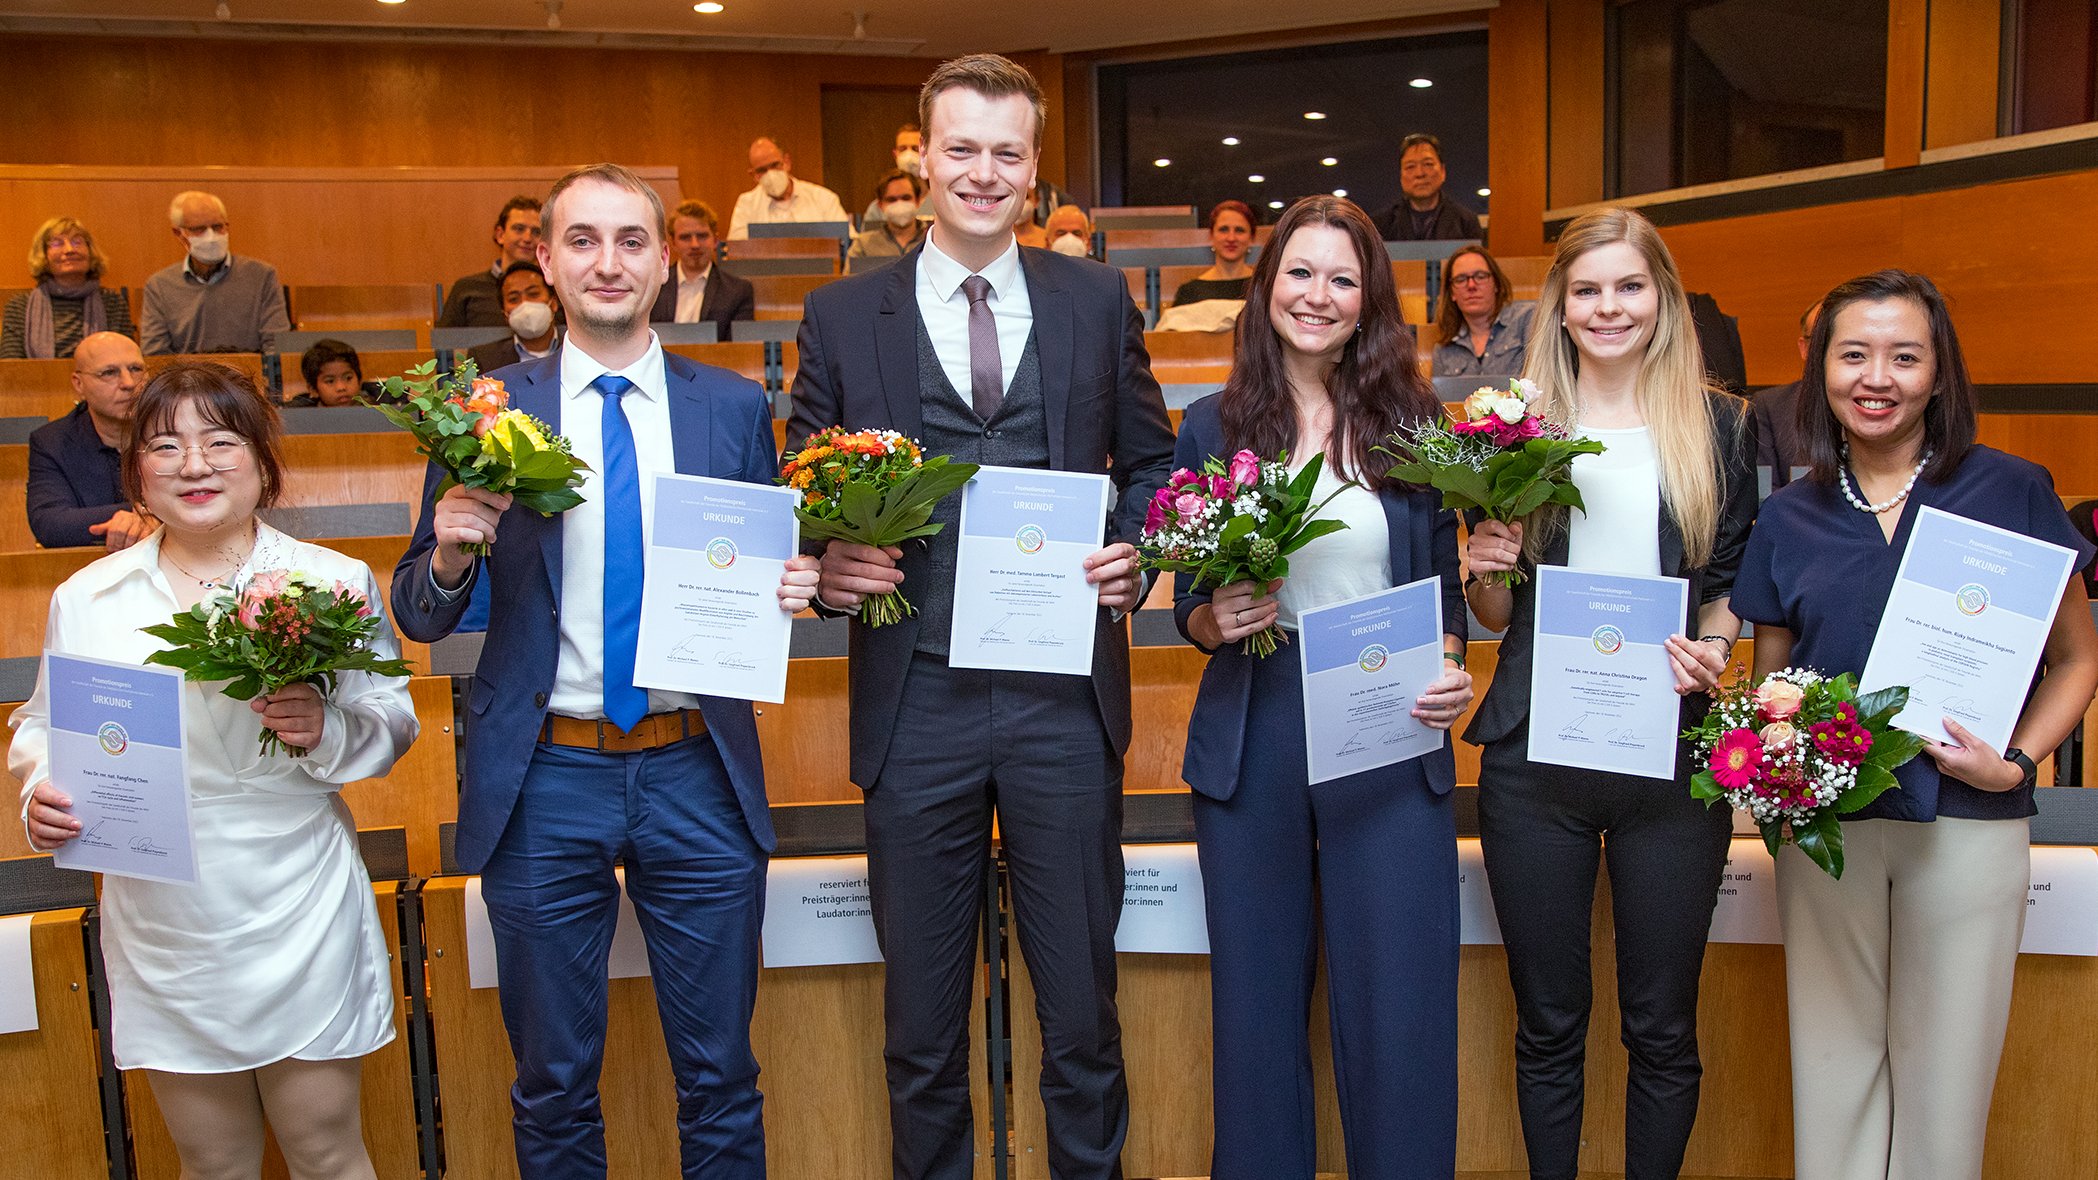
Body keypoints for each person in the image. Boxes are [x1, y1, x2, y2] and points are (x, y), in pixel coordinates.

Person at [787, 54, 1174, 1180]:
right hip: (915, 704)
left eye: (1007, 153)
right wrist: (828, 554)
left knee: (1081, 1014)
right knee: (920, 1021)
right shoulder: (842, 311)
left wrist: (1139, 551)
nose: (983, 172)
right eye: (961, 148)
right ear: (919, 161)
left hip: (1063, 699)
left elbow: (1151, 465)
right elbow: (801, 481)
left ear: (1035, 168)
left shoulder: (1094, 298)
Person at [392, 162, 820, 1179]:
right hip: (545, 774)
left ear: (666, 258)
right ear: (542, 260)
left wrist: (789, 584)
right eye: (581, 240)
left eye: (632, 240)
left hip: (696, 769)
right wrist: (451, 554)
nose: (608, 262)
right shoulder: (486, 409)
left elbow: (759, 568)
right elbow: (417, 609)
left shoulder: (727, 408)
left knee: (720, 1074)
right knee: (551, 1080)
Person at [1732, 269, 2098, 1180]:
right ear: (1821, 370)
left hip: (1970, 824)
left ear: (1940, 373)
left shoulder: (2010, 489)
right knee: (1833, 1069)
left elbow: (2078, 660)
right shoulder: (1789, 514)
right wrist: (1771, 768)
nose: (1877, 376)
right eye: (1853, 354)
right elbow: (1773, 681)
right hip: (1828, 833)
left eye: (1905, 356)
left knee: (1947, 1083)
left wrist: (2014, 765)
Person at [13, 360, 417, 1180]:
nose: (193, 465)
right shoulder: (88, 598)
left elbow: (393, 718)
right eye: (164, 446)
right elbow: (44, 722)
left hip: (294, 894)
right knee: (212, 1165)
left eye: (219, 441)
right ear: (136, 473)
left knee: (326, 1152)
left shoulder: (331, 582)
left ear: (264, 462)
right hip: (162, 908)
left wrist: (326, 728)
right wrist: (39, 790)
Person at [1172, 195, 1472, 1178]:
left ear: (1368, 300)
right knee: (1256, 1016)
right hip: (1256, 723)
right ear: (1264, 289)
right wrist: (1216, 618)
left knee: (1400, 1013)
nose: (1318, 295)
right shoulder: (1210, 425)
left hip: (1387, 724)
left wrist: (1453, 667)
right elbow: (1190, 599)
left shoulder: (1414, 426)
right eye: (1299, 272)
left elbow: (1437, 591)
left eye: (1342, 278)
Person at [1462, 206, 1756, 1180]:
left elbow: (1726, 593)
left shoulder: (1719, 424)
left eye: (1629, 286)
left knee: (1662, 1023)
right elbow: (1496, 615)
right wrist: (1487, 563)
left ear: (1662, 298)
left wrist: (1714, 651)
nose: (1608, 306)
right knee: (1548, 1021)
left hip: (1669, 757)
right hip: (1535, 759)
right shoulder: (1511, 422)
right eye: (1586, 289)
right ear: (1559, 305)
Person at [26, 332, 154, 550]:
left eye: (136, 369)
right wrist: (143, 514)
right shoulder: (51, 441)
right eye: (109, 373)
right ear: (79, 384)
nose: (128, 383)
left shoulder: (173, 430)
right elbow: (50, 524)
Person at [139, 191, 290, 356]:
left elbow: (276, 345)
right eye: (199, 229)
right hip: (189, 379)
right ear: (179, 234)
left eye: (218, 227)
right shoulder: (160, 285)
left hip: (248, 376)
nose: (211, 237)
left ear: (227, 226)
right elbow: (155, 353)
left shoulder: (262, 276)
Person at [1, 216, 135, 359]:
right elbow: (12, 368)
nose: (70, 250)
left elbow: (128, 360)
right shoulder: (19, 307)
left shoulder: (112, 302)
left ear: (90, 251)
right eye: (57, 244)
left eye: (77, 242)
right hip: (38, 380)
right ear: (43, 255)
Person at [1749, 297, 1822, 491]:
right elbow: (1763, 494)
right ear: (1804, 347)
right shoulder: (1769, 406)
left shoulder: (1875, 404)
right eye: (1821, 338)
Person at [437, 197, 544, 328]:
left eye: (536, 232)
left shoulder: (553, 289)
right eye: (519, 229)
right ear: (500, 235)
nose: (527, 238)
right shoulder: (466, 289)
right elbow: (445, 344)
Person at [647, 200, 756, 328]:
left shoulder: (738, 291)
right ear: (673, 243)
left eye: (702, 236)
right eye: (685, 237)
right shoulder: (654, 286)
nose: (695, 245)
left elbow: (738, 347)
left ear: (715, 240)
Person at [1432, 246, 1535, 379]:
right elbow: (1441, 399)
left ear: (1496, 284)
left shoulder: (1527, 319)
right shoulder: (1443, 350)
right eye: (1461, 279)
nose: (1471, 286)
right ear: (1452, 293)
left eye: (1480, 276)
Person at [728, 137, 849, 239]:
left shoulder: (823, 198)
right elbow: (736, 251)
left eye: (775, 165)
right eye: (762, 170)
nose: (770, 174)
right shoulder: (746, 205)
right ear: (753, 175)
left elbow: (848, 242)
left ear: (787, 162)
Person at [1378, 134, 1483, 243]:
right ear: (1400, 175)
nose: (1419, 173)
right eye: (1410, 166)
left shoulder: (1466, 222)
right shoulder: (1383, 224)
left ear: (1443, 171)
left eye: (1428, 164)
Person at [468, 261, 563, 375]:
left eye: (533, 294)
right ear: (505, 314)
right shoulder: (484, 358)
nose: (525, 304)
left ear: (553, 303)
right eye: (513, 299)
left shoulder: (581, 347)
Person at [1169, 200, 1258, 306]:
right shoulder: (1189, 293)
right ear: (1211, 235)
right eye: (1223, 229)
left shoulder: (1263, 287)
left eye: (1239, 230)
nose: (1231, 238)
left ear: (1251, 238)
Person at [847, 170, 928, 261]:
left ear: (918, 201)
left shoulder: (933, 240)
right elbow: (849, 275)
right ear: (880, 205)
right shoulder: (863, 245)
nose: (899, 204)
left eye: (906, 198)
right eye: (892, 199)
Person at [860, 123, 925, 228]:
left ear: (925, 153)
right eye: (903, 149)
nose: (909, 155)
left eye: (915, 149)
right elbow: (868, 243)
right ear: (895, 154)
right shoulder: (877, 209)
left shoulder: (940, 204)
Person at [284, 338, 379, 408]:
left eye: (348, 378)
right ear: (313, 390)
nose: (341, 387)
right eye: (330, 381)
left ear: (359, 380)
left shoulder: (377, 410)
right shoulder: (299, 416)